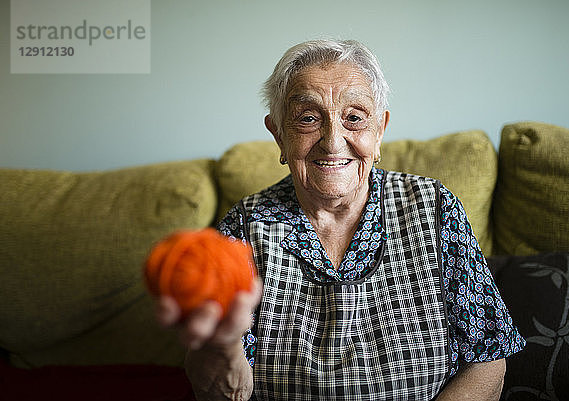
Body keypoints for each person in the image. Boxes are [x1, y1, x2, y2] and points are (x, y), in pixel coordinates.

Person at [156, 39, 526, 400]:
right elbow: (225, 391)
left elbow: (488, 359)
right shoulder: (244, 229)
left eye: (353, 118)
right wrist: (223, 349)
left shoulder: (434, 207)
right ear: (279, 134)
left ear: (380, 130)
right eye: (307, 119)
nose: (333, 141)